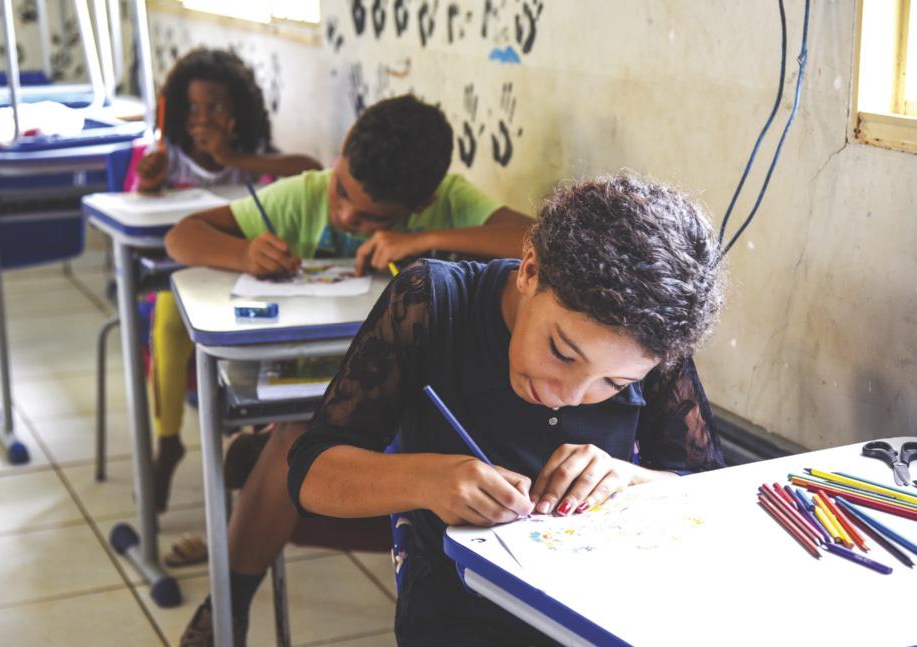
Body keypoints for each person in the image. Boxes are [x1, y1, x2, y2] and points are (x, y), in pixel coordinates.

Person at [287, 173, 727, 646]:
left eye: (615, 384)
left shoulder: (654, 339)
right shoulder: (432, 304)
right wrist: (427, 479)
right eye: (561, 352)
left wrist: (628, 477)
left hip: (601, 610)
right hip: (460, 612)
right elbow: (311, 474)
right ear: (529, 271)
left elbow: (708, 490)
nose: (569, 395)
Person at [167, 94, 534, 646]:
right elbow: (182, 236)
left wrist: (426, 239)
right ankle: (230, 605)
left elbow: (534, 240)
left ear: (425, 201)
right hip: (324, 402)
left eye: (372, 219)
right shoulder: (305, 196)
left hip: (416, 405)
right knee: (298, 433)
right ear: (339, 160)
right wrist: (244, 255)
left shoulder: (449, 204)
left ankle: (257, 466)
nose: (345, 216)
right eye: (343, 194)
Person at [134, 47, 321, 513]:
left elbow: (311, 171)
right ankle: (169, 440)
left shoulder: (252, 159)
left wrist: (234, 156)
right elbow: (142, 206)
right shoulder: (170, 158)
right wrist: (148, 185)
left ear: (238, 111)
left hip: (247, 282)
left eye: (215, 107)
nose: (203, 118)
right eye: (193, 108)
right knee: (168, 312)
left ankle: (258, 432)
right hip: (185, 279)